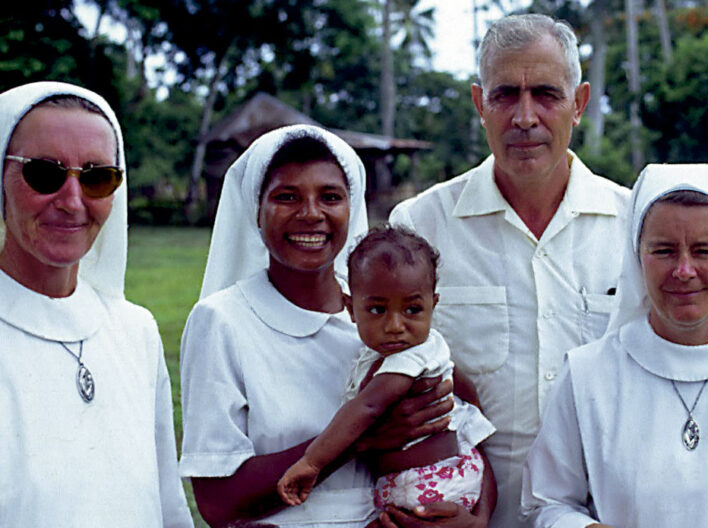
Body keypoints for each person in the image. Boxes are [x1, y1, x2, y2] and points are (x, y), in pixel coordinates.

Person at [180, 125, 491, 528]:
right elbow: (218, 505)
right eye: (286, 197)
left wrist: (477, 520)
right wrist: (360, 441)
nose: (311, 213)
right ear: (255, 211)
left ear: (351, 206)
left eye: (330, 197)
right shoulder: (222, 322)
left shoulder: (384, 317)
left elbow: (466, 428)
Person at [388, 13, 629, 528]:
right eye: (504, 95)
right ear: (479, 104)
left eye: (546, 93)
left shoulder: (635, 228)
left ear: (579, 104)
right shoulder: (419, 227)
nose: (524, 116)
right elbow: (387, 393)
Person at [520, 163, 708, 526]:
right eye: (664, 251)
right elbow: (545, 502)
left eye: (704, 251)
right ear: (637, 257)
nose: (684, 271)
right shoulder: (588, 374)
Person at [0, 81, 192, 526]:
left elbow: (164, 498)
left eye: (96, 176)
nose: (71, 202)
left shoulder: (135, 331)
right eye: (44, 172)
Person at [277, 225, 496, 513]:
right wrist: (472, 404)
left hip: (429, 483)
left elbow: (367, 407)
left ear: (434, 304)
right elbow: (461, 381)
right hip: (413, 483)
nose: (395, 326)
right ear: (351, 308)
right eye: (378, 310)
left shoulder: (412, 356)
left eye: (413, 310)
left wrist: (312, 461)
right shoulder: (416, 349)